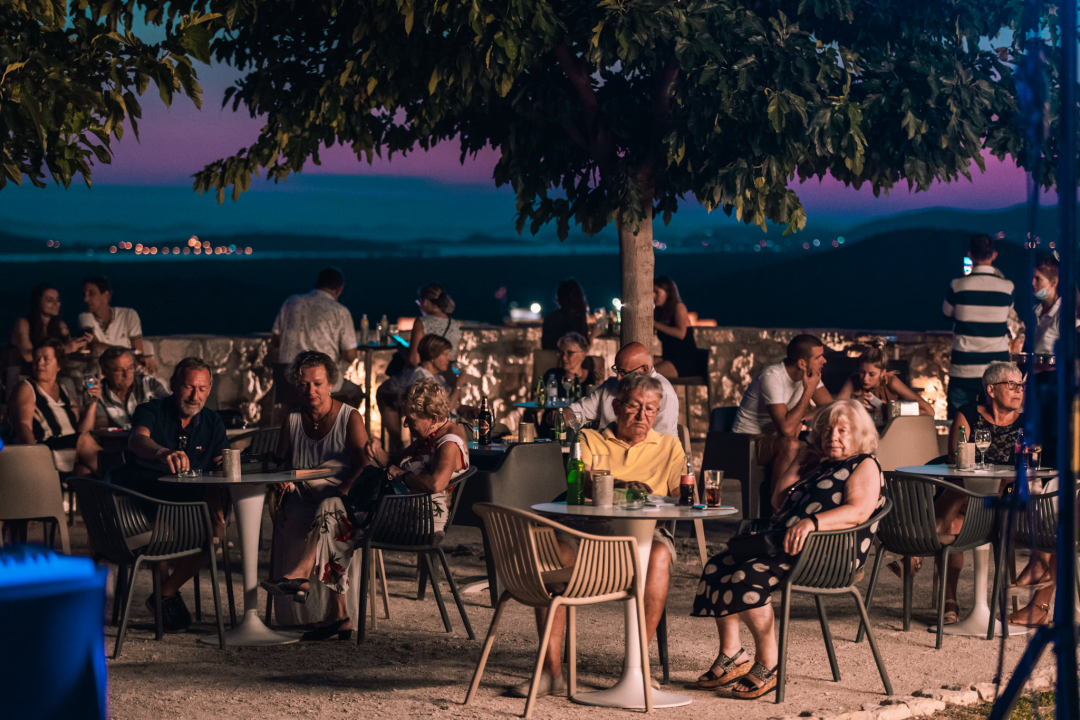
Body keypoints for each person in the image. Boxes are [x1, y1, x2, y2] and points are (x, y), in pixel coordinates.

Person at [691, 400, 884, 698]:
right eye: (828, 430)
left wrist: (810, 523)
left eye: (843, 431)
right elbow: (778, 503)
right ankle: (732, 654)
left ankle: (769, 662)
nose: (833, 436)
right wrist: (797, 462)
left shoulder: (865, 464)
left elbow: (858, 511)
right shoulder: (823, 465)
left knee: (746, 577)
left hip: (826, 556)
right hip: (788, 546)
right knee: (719, 566)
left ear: (860, 435)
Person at [513, 373, 686, 697]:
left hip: (645, 535)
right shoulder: (591, 440)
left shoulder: (669, 446)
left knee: (661, 557)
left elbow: (681, 496)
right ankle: (551, 673)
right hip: (589, 534)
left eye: (651, 409)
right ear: (617, 406)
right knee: (550, 558)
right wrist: (620, 486)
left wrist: (689, 492)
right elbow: (588, 482)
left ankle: (637, 667)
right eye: (635, 407)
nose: (642, 416)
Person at [261, 378, 469, 641]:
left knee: (334, 516)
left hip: (419, 520)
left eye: (411, 419)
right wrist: (379, 453)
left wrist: (400, 476)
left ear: (434, 416)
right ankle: (333, 610)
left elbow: (436, 482)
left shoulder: (448, 441)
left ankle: (329, 605)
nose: (405, 424)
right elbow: (395, 460)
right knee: (331, 507)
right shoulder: (427, 436)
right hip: (396, 512)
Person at [114, 357, 230, 632]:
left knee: (216, 532)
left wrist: (219, 479)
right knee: (162, 536)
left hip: (190, 505)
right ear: (174, 384)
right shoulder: (151, 410)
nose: (195, 396)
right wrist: (161, 452)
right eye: (189, 387)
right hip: (146, 503)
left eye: (202, 389)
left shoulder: (213, 421)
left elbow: (220, 462)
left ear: (210, 388)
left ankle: (166, 592)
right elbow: (136, 439)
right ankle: (165, 596)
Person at [908, 361, 1024, 623]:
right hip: (966, 500)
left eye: (1021, 386)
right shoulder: (968, 413)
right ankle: (950, 602)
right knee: (961, 496)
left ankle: (917, 552)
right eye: (1012, 385)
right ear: (991, 390)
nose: (1019, 391)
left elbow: (1027, 468)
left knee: (962, 494)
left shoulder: (1027, 424)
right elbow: (957, 460)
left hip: (1004, 501)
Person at [268, 351, 371, 626]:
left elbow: (365, 465)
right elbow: (279, 462)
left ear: (330, 384)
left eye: (317, 383)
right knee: (321, 515)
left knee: (330, 510)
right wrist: (279, 476)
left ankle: (301, 576)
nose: (310, 390)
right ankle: (338, 615)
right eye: (303, 383)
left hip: (347, 497)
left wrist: (344, 490)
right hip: (305, 498)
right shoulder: (292, 420)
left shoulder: (350, 418)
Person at [732, 334, 832, 504]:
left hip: (776, 439)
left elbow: (830, 408)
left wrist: (801, 420)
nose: (824, 361)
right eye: (818, 357)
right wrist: (808, 390)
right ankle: (777, 513)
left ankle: (801, 508)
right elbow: (786, 429)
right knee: (792, 444)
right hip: (746, 440)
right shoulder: (772, 377)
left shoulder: (810, 375)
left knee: (819, 451)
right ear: (802, 363)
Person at [942, 234, 1022, 418]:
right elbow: (1009, 316)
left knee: (958, 422)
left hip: (963, 368)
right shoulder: (1007, 287)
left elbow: (946, 313)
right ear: (994, 255)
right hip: (996, 372)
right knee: (994, 423)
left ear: (970, 255)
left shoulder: (957, 286)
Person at [9, 338, 102, 475]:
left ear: (58, 365)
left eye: (46, 359)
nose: (40, 363)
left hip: (68, 451)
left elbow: (82, 431)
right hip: (43, 450)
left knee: (85, 470)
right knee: (84, 442)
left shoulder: (64, 391)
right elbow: (24, 428)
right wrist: (34, 462)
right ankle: (122, 483)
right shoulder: (26, 388)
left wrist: (93, 402)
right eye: (36, 358)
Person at [271, 267, 360, 399]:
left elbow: (275, 340)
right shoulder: (340, 311)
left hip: (288, 383)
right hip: (318, 384)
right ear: (339, 289)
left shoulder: (291, 302)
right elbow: (351, 355)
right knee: (355, 393)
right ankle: (334, 419)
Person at [566, 342, 679, 437]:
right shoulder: (611, 385)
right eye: (617, 371)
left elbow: (663, 442)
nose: (618, 378)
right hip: (607, 456)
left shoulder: (664, 392)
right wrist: (563, 417)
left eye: (624, 373)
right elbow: (581, 412)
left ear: (645, 369)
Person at [377, 334, 464, 451]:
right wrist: (458, 385)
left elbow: (450, 404)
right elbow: (444, 410)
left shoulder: (438, 378)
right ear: (433, 356)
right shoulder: (421, 378)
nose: (449, 359)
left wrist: (469, 409)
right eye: (445, 354)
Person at [7, 283, 88, 391]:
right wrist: (65, 349)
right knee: (68, 382)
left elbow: (71, 349)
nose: (56, 304)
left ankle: (90, 403)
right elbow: (28, 356)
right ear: (38, 302)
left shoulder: (59, 325)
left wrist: (82, 343)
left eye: (57, 300)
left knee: (84, 374)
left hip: (49, 372)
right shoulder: (24, 324)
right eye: (50, 300)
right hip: (23, 373)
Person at [835, 338, 933, 424]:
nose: (865, 378)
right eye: (861, 372)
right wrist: (854, 404)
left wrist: (889, 410)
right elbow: (833, 410)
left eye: (872, 374)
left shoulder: (892, 382)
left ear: (883, 373)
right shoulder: (854, 381)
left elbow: (929, 411)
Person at [78, 275, 158, 374]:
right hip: (105, 372)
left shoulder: (128, 315)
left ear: (106, 296)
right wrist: (130, 352)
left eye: (91, 294)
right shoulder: (85, 317)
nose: (85, 299)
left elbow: (138, 351)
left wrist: (133, 354)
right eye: (84, 294)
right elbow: (95, 347)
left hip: (128, 370)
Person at [94, 346, 169, 429]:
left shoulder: (148, 383)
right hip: (117, 440)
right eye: (119, 370)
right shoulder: (98, 392)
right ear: (105, 371)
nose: (126, 375)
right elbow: (101, 428)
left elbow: (172, 405)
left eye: (130, 368)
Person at [652, 276, 698, 378]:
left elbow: (681, 333)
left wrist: (654, 323)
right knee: (638, 367)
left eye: (656, 292)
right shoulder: (659, 313)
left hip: (685, 360)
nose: (653, 296)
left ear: (667, 293)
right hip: (668, 357)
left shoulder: (679, 307)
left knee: (648, 375)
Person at [406, 282, 461, 366]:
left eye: (419, 302)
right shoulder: (454, 323)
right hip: (449, 375)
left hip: (428, 375)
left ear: (425, 302)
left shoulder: (421, 322)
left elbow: (414, 360)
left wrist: (404, 353)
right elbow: (455, 356)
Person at [541, 279, 591, 350]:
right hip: (566, 358)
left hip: (549, 358)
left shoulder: (550, 317)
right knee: (599, 360)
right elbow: (582, 348)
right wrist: (594, 335)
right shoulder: (576, 318)